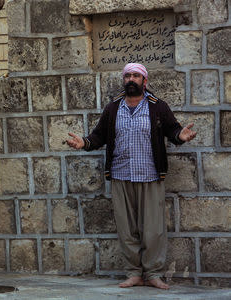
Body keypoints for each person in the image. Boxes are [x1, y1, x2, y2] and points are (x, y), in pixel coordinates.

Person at [66, 63, 196, 289]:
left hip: (150, 175)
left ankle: (154, 273)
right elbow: (98, 136)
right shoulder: (113, 108)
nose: (131, 80)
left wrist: (180, 136)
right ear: (123, 80)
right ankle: (134, 273)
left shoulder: (158, 106)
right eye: (127, 76)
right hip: (121, 175)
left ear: (145, 81)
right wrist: (84, 143)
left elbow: (173, 129)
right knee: (127, 228)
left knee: (153, 229)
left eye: (136, 76)